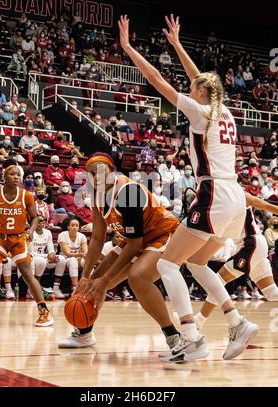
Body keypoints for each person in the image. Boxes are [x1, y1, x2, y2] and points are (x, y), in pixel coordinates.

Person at [118, 14, 257, 362]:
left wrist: (128, 48)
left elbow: (157, 79)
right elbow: (201, 79)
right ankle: (236, 320)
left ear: (201, 93)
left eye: (194, 86)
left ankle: (192, 338)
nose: (189, 87)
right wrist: (178, 44)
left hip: (213, 194)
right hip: (235, 198)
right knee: (196, 262)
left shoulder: (199, 112)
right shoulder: (225, 112)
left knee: (167, 265)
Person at [58, 154, 180, 352]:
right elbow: (97, 239)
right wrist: (85, 277)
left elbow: (134, 243)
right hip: (134, 239)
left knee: (137, 277)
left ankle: (173, 336)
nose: (96, 177)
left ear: (112, 171)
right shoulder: (96, 195)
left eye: (101, 172)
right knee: (93, 280)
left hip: (162, 233)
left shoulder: (127, 192)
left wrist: (105, 282)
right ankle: (84, 334)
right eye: (91, 173)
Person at [0, 161, 54, 326]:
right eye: (12, 174)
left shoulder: (26, 195)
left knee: (27, 272)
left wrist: (31, 230)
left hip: (18, 238)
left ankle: (44, 312)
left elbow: (34, 217)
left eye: (18, 175)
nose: (16, 177)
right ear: (5, 176)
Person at [195, 193, 278, 328]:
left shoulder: (239, 194)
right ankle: (198, 321)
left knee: (218, 281)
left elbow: (265, 205)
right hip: (251, 244)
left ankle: (198, 322)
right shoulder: (217, 200)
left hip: (251, 243)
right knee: (272, 293)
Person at [30, 216, 66, 299]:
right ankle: (34, 290)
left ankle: (56, 289)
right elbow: (32, 253)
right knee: (41, 261)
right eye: (38, 221)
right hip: (33, 258)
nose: (41, 223)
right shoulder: (30, 233)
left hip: (43, 258)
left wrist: (52, 253)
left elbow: (51, 248)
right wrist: (48, 255)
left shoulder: (48, 232)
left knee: (61, 260)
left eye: (43, 221)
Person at [57, 217, 88, 289]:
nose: (75, 227)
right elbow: (68, 254)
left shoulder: (82, 236)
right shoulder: (62, 235)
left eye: (77, 226)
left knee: (88, 261)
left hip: (78, 258)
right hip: (65, 259)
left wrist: (84, 256)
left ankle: (88, 286)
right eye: (72, 225)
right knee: (73, 260)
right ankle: (75, 287)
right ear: (68, 227)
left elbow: (85, 252)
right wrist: (80, 255)